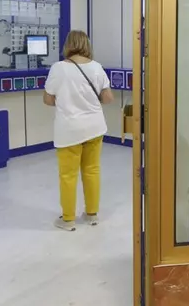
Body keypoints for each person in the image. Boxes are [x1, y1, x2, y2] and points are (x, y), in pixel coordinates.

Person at [43, 30, 113, 232]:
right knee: (92, 170)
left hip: (69, 129)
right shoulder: (97, 67)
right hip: (94, 127)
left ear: (68, 45)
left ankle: (68, 220)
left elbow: (48, 99)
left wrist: (67, 100)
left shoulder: (58, 68)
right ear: (86, 44)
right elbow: (108, 98)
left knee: (68, 175)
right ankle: (92, 214)